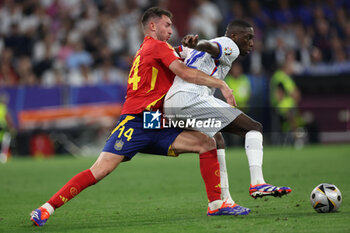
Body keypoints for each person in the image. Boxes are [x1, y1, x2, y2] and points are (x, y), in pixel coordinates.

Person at [30, 7, 250, 227]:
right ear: (152, 26)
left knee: (206, 142)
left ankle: (216, 205)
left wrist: (198, 47)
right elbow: (185, 73)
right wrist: (221, 83)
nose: (171, 29)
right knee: (100, 170)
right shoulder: (157, 46)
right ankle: (46, 208)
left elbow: (187, 54)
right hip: (135, 122)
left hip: (156, 121)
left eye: (172, 25)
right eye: (167, 25)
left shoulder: (155, 49)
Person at [164, 19, 291, 205]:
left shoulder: (193, 51)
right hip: (191, 98)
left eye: (253, 38)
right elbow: (212, 47)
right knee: (253, 128)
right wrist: (198, 43)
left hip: (172, 104)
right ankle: (258, 182)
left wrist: (189, 46)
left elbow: (174, 51)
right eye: (248, 37)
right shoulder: (229, 44)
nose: (251, 43)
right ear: (234, 36)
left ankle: (225, 200)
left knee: (216, 140)